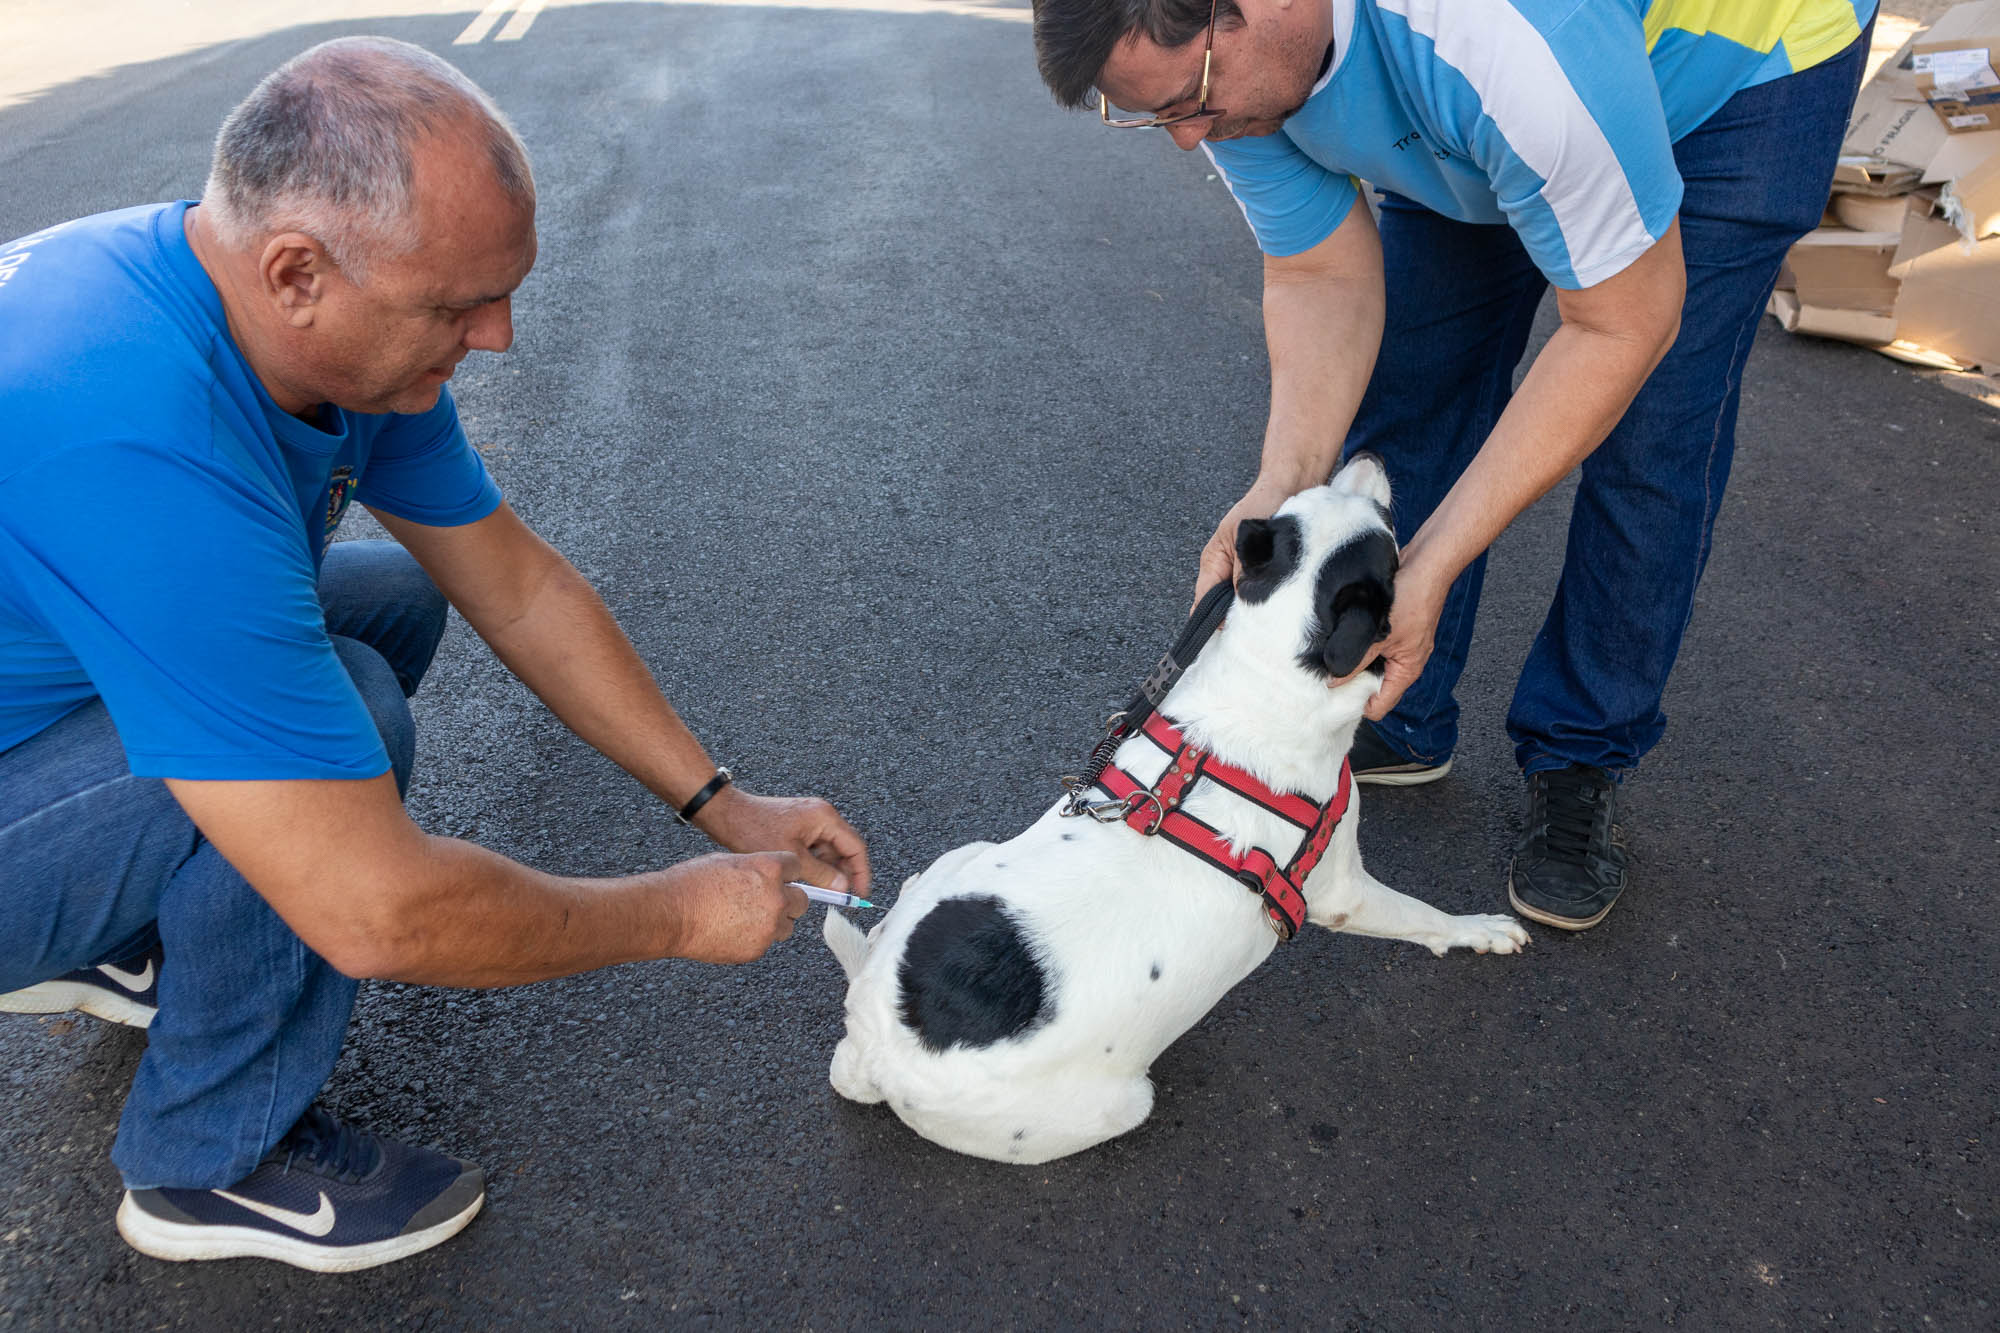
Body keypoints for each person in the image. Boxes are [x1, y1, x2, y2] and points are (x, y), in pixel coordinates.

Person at [0, 36, 869, 1272]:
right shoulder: (141, 436)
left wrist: (722, 807)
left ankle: (118, 926)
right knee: (341, 703)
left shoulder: (269, 311)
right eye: (457, 306)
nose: (498, 335)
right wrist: (674, 915)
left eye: (500, 292)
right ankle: (207, 1161)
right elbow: (378, 911)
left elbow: (512, 582)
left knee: (383, 597)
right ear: (297, 269)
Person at [1030, 0, 1873, 930]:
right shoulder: (1234, 78)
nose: (1189, 140)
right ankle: (1404, 698)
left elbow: (1620, 322)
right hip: (1510, 101)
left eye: (1189, 101)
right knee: (1421, 378)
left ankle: (1579, 753)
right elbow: (1320, 274)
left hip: (1733, 70)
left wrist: (1429, 566)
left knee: (1651, 439)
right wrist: (1276, 487)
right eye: (1151, 116)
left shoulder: (1503, 48)